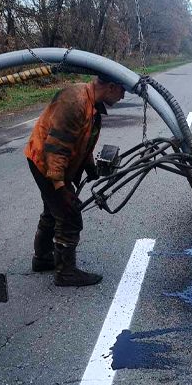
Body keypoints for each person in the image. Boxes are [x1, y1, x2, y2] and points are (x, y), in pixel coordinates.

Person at [24, 75, 126, 286]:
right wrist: (61, 188)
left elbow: (81, 141)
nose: (123, 96)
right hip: (45, 161)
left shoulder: (92, 104)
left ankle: (42, 258)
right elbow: (57, 149)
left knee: (54, 211)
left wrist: (89, 166)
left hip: (51, 161)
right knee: (69, 214)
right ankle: (65, 273)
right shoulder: (75, 101)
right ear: (111, 87)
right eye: (122, 91)